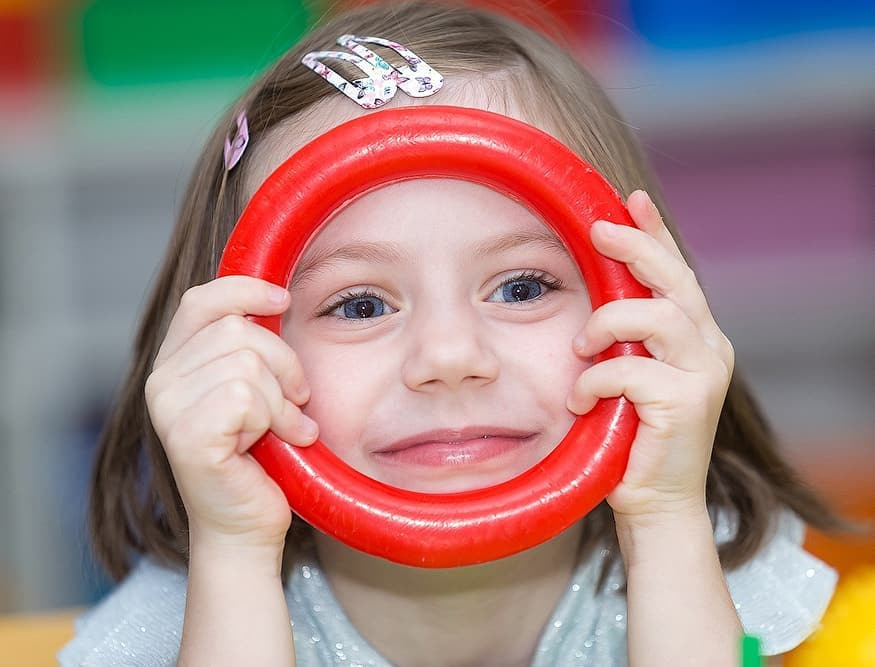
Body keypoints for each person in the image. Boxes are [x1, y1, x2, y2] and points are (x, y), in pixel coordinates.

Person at [60, 1, 839, 665]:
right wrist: (231, 552)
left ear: (644, 306)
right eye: (360, 305)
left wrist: (665, 521)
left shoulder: (702, 565)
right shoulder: (190, 619)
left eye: (523, 286)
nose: (450, 358)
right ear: (237, 351)